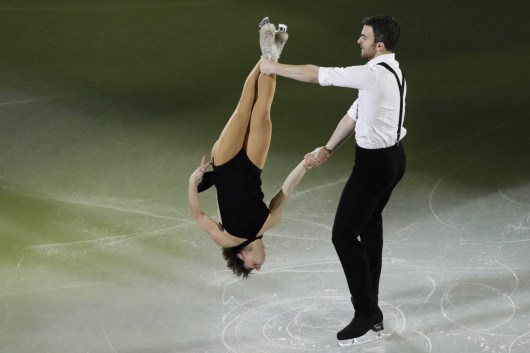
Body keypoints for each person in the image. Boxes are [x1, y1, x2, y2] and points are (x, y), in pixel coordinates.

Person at [260, 16, 407, 343]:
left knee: (343, 235)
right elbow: (356, 114)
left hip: (374, 167)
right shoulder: (393, 73)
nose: (359, 40)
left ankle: (365, 311)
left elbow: (317, 74)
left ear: (378, 46)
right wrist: (328, 148)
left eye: (364, 37)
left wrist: (275, 69)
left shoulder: (371, 74)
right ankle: (374, 309)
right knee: (369, 228)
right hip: (393, 160)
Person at [188, 17, 315, 279]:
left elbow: (198, 216)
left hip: (224, 163)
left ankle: (267, 53)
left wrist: (192, 183)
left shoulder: (227, 239)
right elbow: (286, 190)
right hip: (252, 165)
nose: (259, 266)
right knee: (263, 111)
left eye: (251, 267)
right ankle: (270, 56)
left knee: (245, 108)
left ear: (240, 256)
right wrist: (305, 164)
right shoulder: (270, 222)